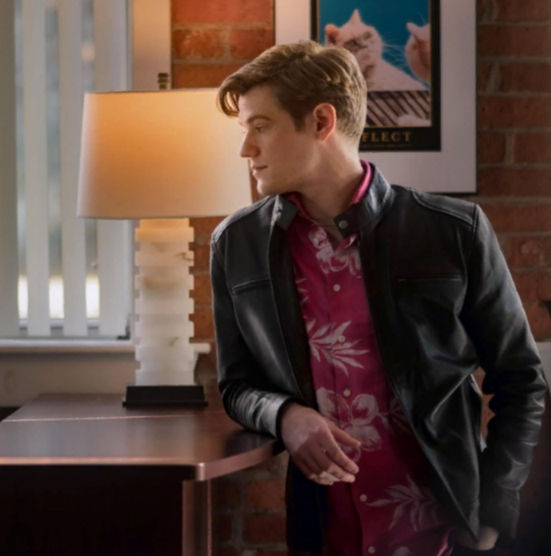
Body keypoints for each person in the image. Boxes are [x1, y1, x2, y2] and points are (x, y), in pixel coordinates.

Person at [209, 40, 547, 556]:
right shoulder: (236, 245)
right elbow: (236, 386)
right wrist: (286, 415)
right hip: (323, 531)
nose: (246, 150)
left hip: (446, 534)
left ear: (321, 122)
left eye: (261, 126)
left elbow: (521, 380)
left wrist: (494, 512)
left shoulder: (453, 231)